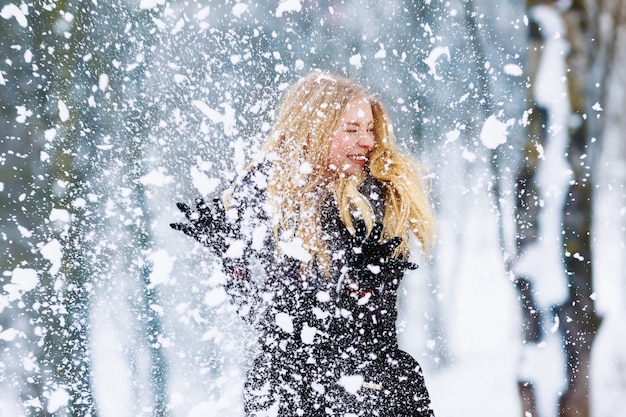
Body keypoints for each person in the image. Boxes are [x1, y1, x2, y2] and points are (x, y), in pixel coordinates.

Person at [171, 71, 437, 416]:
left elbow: (367, 329)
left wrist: (364, 284)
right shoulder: (264, 195)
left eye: (369, 129)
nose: (367, 142)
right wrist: (233, 259)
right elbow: (265, 317)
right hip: (290, 391)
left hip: (369, 387)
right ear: (313, 128)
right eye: (352, 129)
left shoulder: (372, 199)